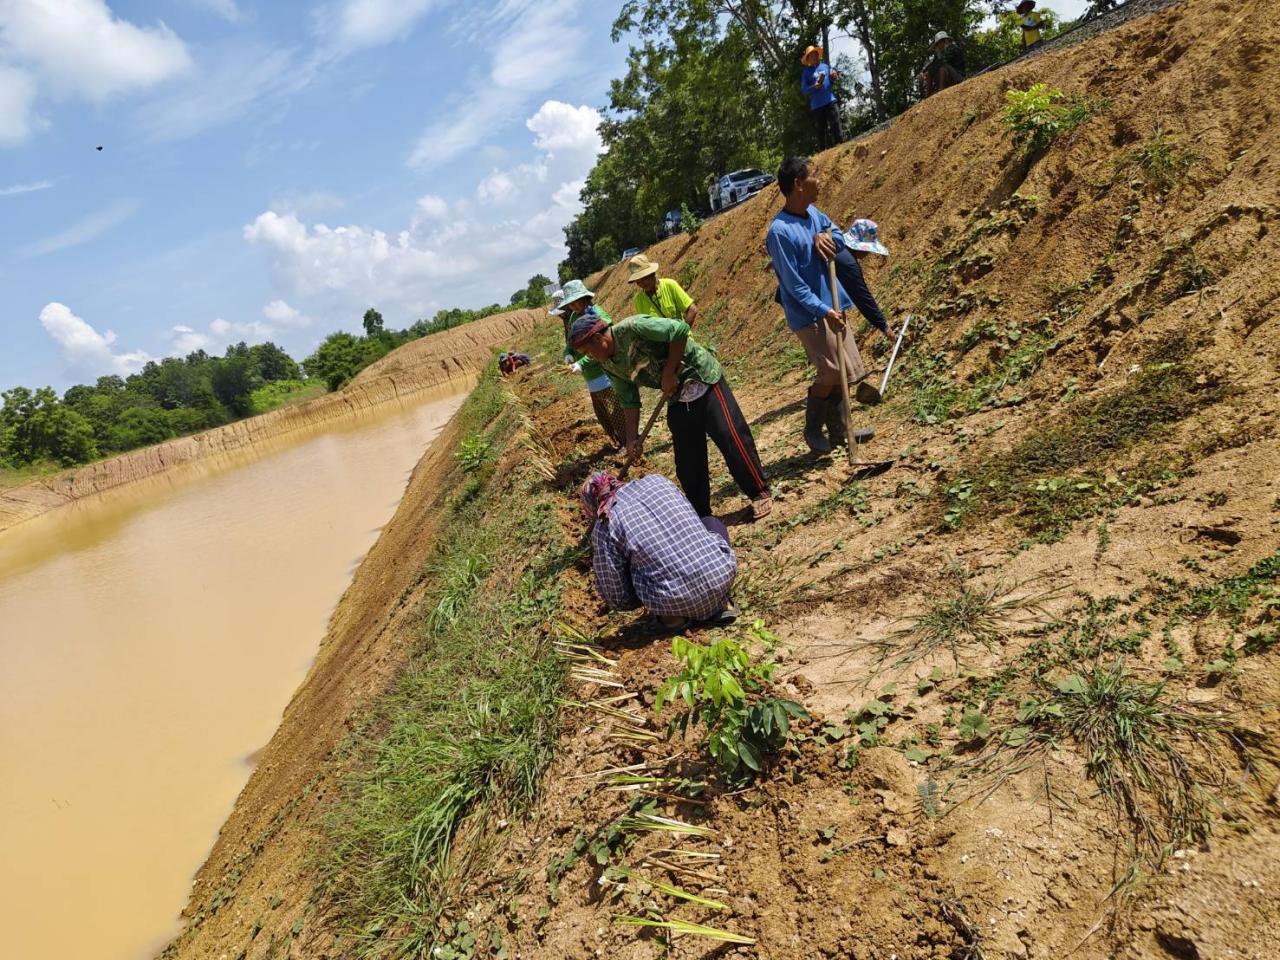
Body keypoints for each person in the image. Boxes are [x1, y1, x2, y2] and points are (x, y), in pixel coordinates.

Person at [569, 310, 773, 521]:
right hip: (676, 395)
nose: (589, 357)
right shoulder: (608, 363)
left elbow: (679, 330)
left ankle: (759, 492)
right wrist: (631, 439)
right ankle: (701, 513)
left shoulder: (633, 327)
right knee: (687, 460)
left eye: (588, 351)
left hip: (700, 376)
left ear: (598, 338)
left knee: (730, 436)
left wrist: (668, 372)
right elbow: (629, 399)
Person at [765, 156, 875, 456]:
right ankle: (812, 426)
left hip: (831, 303)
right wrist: (822, 310)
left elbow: (838, 235)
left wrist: (826, 237)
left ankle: (842, 432)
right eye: (815, 175)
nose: (820, 180)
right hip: (808, 313)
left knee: (846, 369)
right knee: (831, 371)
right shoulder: (779, 232)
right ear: (798, 185)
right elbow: (793, 285)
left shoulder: (814, 213)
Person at [581, 471, 739, 635]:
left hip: (673, 599)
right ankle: (722, 604)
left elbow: (616, 596)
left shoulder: (605, 523)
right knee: (709, 522)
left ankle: (673, 619)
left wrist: (635, 597)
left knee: (633, 566)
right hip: (721, 576)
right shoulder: (658, 481)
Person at [553, 279, 626, 447]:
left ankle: (627, 441)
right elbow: (572, 342)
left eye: (577, 302)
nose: (575, 306)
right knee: (602, 414)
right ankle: (616, 441)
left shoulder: (597, 314)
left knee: (616, 411)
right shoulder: (573, 317)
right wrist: (568, 354)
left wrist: (582, 363)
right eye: (571, 304)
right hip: (591, 377)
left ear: (585, 298)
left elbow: (605, 345)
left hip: (605, 371)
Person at [834, 219, 896, 339]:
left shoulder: (838, 246)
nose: (868, 253)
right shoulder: (847, 263)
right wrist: (883, 325)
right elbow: (861, 296)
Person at [627, 254, 700, 325]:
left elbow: (692, 309)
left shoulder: (670, 285)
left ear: (652, 274)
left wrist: (683, 332)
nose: (642, 284)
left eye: (644, 279)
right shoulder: (639, 300)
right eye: (638, 282)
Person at [800, 45, 843, 150]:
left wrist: (833, 77)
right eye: (811, 56)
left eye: (815, 54)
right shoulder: (806, 73)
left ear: (818, 55)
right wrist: (814, 87)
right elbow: (804, 90)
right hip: (817, 105)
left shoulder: (825, 66)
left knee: (836, 122)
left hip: (830, 100)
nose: (813, 57)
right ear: (808, 59)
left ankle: (840, 144)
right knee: (821, 130)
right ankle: (822, 152)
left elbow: (831, 80)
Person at [920, 31, 966, 97]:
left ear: (945, 41)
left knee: (942, 68)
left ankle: (941, 92)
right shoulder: (940, 53)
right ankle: (928, 96)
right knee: (930, 72)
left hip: (958, 77)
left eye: (939, 43)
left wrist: (929, 71)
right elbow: (933, 64)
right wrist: (924, 72)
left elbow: (942, 62)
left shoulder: (953, 48)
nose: (938, 46)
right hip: (949, 78)